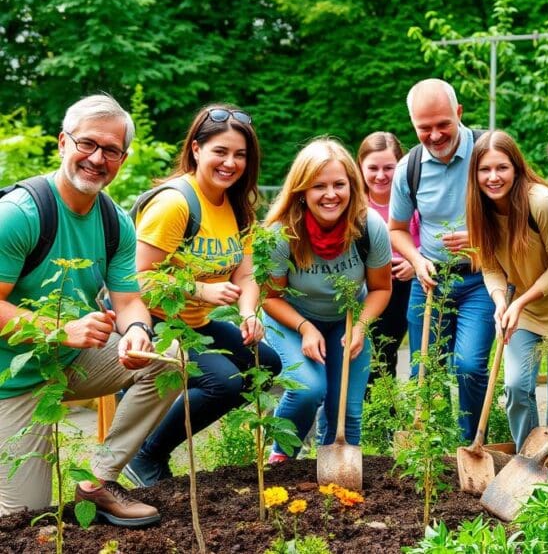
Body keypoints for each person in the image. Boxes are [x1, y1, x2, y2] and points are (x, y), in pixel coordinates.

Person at [0, 94, 175, 526]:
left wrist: (138, 332)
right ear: (63, 143)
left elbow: (129, 299)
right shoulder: (20, 214)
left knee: (169, 362)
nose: (98, 158)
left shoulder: (115, 222)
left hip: (67, 363)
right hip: (10, 379)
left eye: (111, 150)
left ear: (123, 158)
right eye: (87, 144)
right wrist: (60, 329)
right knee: (27, 521)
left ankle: (97, 481)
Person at [124, 105, 281, 486]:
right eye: (220, 152)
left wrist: (248, 314)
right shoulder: (175, 204)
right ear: (196, 149)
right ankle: (147, 456)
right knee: (223, 382)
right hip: (156, 324)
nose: (230, 163)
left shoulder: (237, 204)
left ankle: (152, 440)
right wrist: (202, 289)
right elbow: (135, 278)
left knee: (266, 364)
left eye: (240, 155)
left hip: (197, 322)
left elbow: (246, 273)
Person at [262, 138, 391, 463]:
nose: (330, 194)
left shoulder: (369, 227)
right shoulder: (283, 234)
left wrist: (361, 325)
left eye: (339, 184)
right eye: (319, 186)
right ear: (302, 190)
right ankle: (281, 457)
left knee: (345, 410)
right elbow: (269, 297)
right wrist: (305, 328)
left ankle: (335, 474)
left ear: (352, 185)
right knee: (308, 389)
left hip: (346, 322)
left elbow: (381, 289)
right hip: (291, 319)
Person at [465, 130, 548, 448]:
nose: (493, 177)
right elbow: (492, 267)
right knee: (517, 387)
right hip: (527, 306)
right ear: (475, 174)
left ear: (516, 168)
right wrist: (499, 302)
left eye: (502, 168)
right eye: (485, 170)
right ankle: (527, 461)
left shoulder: (541, 203)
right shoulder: (481, 210)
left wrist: (519, 303)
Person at [389, 78, 496, 441]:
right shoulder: (409, 168)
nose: (435, 135)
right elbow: (396, 229)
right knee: (425, 370)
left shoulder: (490, 153)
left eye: (443, 124)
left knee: (469, 366)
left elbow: (523, 217)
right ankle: (433, 447)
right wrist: (417, 261)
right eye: (424, 128)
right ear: (413, 125)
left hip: (481, 279)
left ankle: (471, 443)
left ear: (459, 113)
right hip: (431, 279)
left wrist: (484, 239)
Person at [356, 131, 419, 381]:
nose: (380, 175)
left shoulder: (413, 201)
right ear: (360, 167)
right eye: (373, 168)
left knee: (386, 352)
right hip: (364, 284)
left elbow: (432, 239)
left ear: (400, 167)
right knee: (365, 353)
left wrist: (415, 262)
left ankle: (386, 413)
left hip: (404, 283)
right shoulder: (353, 204)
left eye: (388, 168)